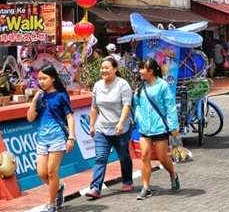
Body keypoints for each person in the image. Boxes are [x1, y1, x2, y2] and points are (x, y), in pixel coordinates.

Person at [27, 65, 75, 212]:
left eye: (44, 78)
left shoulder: (61, 95)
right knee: (42, 173)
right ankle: (59, 187)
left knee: (52, 172)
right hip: (42, 139)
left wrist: (71, 137)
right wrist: (35, 100)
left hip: (58, 137)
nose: (41, 81)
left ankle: (52, 204)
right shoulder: (40, 97)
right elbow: (30, 118)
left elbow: (69, 116)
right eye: (39, 79)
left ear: (53, 78)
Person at [85, 57, 134, 199]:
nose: (104, 70)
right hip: (102, 128)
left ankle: (127, 180)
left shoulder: (122, 85)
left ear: (115, 69)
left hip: (121, 129)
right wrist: (92, 125)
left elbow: (127, 105)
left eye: (107, 68)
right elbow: (94, 107)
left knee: (123, 156)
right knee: (100, 157)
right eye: (102, 68)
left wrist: (120, 122)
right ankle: (95, 188)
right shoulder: (97, 85)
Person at [132, 58, 180, 199]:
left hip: (160, 128)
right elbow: (137, 104)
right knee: (145, 156)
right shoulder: (140, 87)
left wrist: (173, 126)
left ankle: (173, 174)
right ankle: (146, 187)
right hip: (145, 128)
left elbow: (170, 106)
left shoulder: (162, 85)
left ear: (151, 71)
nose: (140, 71)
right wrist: (138, 116)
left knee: (162, 157)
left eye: (142, 69)